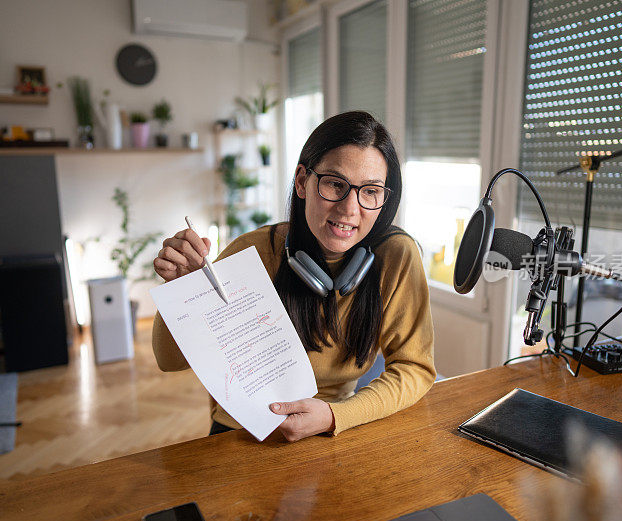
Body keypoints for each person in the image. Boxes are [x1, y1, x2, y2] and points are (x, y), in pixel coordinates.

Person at [152, 111, 436, 442]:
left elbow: (414, 368)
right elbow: (169, 360)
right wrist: (182, 291)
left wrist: (334, 416)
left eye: (370, 191)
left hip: (333, 430)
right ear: (302, 181)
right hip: (240, 434)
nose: (349, 209)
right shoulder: (254, 252)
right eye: (334, 184)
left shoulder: (396, 256)